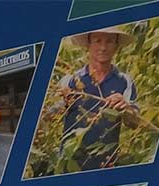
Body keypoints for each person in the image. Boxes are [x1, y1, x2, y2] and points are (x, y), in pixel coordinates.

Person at [58, 26, 141, 171]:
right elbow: (51, 115)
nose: (103, 47)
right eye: (98, 41)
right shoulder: (70, 81)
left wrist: (126, 108)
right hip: (72, 163)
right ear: (89, 45)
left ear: (116, 46)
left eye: (109, 41)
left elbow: (134, 124)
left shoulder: (125, 82)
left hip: (105, 163)